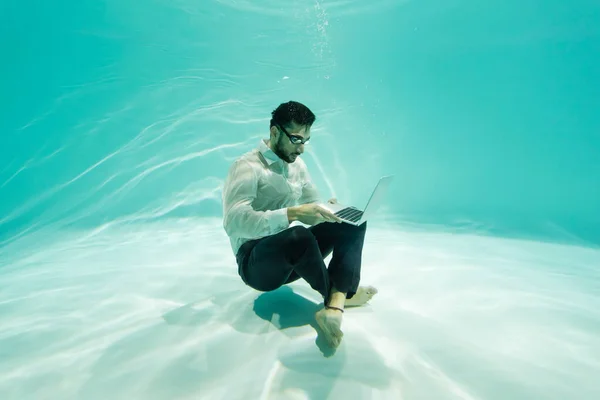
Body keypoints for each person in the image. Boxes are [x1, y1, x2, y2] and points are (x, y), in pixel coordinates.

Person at [221, 100, 377, 348]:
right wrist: (292, 213)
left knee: (353, 221)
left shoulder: (298, 166)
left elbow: (311, 204)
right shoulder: (247, 166)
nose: (302, 149)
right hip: (256, 266)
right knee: (297, 235)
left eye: (306, 141)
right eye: (296, 139)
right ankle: (338, 293)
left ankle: (335, 302)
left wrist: (328, 209)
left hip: (293, 258)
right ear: (274, 132)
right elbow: (233, 223)